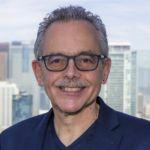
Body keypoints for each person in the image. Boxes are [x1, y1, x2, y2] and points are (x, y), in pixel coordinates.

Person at [0, 5, 150, 150]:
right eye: (57, 61)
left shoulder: (145, 139)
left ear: (105, 70)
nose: (71, 73)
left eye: (85, 60)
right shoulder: (9, 142)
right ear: (39, 72)